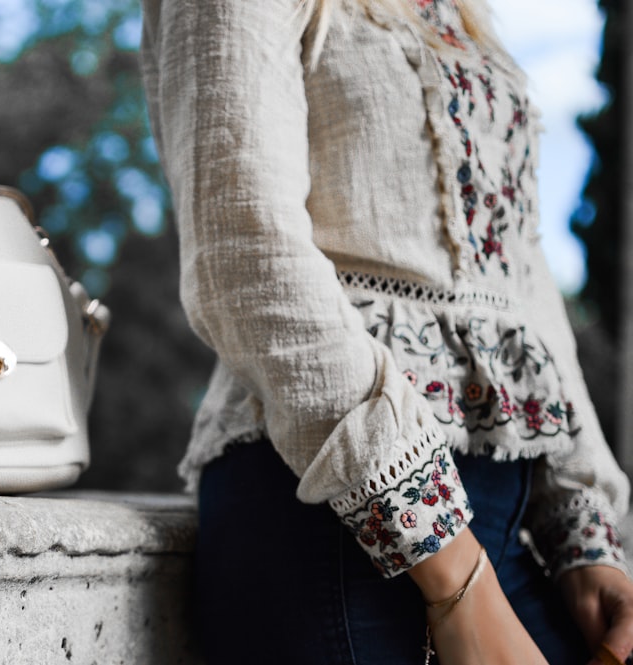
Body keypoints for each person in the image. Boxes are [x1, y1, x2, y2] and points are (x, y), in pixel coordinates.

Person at [139, 0, 633, 662]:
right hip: (339, 526)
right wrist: (456, 577)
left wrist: (582, 535)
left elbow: (518, 277)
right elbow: (243, 248)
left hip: (499, 537)